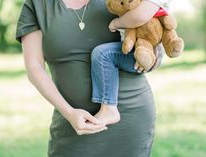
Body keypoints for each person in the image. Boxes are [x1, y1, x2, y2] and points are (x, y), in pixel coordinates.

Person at [15, 0, 165, 156]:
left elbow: (151, 33)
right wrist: (69, 113)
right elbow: (34, 67)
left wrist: (153, 54)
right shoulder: (37, 5)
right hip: (73, 123)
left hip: (131, 116)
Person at [91, 0, 170, 125]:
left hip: (141, 50)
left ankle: (108, 108)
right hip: (133, 44)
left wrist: (116, 23)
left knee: (103, 54)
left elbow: (140, 16)